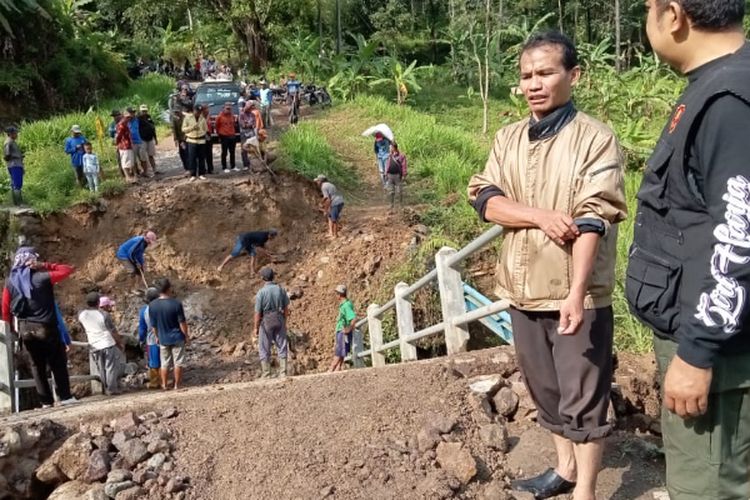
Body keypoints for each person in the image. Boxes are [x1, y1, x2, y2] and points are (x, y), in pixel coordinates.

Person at [467, 32, 627, 500]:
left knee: (584, 396)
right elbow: (484, 199)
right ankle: (564, 469)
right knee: (545, 391)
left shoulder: (595, 139)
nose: (534, 84)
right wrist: (539, 216)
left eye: (545, 72)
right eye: (526, 76)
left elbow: (593, 219)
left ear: (572, 76)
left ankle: (587, 492)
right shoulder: (508, 138)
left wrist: (576, 293)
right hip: (520, 289)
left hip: (576, 294)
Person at [627, 2, 750, 498]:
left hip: (718, 357)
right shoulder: (718, 86)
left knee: (709, 487)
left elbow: (740, 235)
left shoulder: (727, 102)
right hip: (715, 344)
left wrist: (697, 354)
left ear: (674, 14)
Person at [1, 247, 78, 408]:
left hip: (25, 330)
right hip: (46, 327)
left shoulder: (10, 282)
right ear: (32, 260)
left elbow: (5, 309)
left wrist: (13, 329)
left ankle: (46, 402)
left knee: (37, 365)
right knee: (57, 362)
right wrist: (44, 264)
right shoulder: (42, 277)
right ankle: (65, 397)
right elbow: (67, 269)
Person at [78, 292, 124, 396]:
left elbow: (82, 326)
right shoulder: (104, 315)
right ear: (98, 302)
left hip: (94, 344)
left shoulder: (81, 314)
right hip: (107, 343)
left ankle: (105, 389)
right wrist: (120, 343)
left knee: (100, 368)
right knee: (110, 367)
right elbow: (113, 331)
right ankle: (112, 389)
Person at [149, 278, 189, 390]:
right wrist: (186, 335)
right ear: (169, 288)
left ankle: (164, 385)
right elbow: (182, 322)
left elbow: (154, 325)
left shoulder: (152, 305)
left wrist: (157, 337)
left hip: (163, 338)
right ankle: (177, 385)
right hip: (177, 337)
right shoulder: (176, 303)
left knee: (164, 363)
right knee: (178, 362)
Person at [254, 267, 290, 379]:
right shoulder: (280, 289)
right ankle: (283, 372)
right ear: (273, 276)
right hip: (279, 317)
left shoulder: (261, 292)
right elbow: (286, 308)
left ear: (262, 278)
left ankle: (266, 373)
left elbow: (257, 313)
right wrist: (284, 321)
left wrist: (255, 327)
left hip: (266, 319)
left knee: (264, 346)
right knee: (282, 345)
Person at [328, 285, 356, 372]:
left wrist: (349, 328)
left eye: (336, 293)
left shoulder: (346, 306)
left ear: (339, 295)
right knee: (342, 352)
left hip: (342, 331)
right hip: (342, 330)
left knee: (339, 351)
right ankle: (337, 369)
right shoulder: (345, 304)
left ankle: (330, 370)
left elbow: (353, 318)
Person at [138, 287, 161, 389]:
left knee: (153, 361)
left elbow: (142, 328)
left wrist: (141, 339)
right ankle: (165, 379)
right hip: (165, 337)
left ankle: (155, 382)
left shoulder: (144, 311)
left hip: (151, 339)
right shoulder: (163, 307)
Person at [182, 104, 208, 181]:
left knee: (201, 158)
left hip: (201, 140)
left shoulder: (202, 118)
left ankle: (201, 173)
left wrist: (202, 132)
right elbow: (183, 129)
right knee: (192, 158)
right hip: (191, 140)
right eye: (197, 111)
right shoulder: (188, 118)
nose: (198, 113)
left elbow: (205, 129)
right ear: (194, 110)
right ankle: (193, 174)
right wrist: (192, 128)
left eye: (200, 112)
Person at [3, 126, 24, 206]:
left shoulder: (11, 141)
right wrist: (16, 157)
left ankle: (16, 203)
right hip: (15, 165)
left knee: (15, 183)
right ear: (11, 134)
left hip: (15, 164)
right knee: (17, 184)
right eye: (15, 133)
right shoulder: (9, 142)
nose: (17, 134)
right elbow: (7, 155)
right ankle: (19, 203)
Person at [385, 142, 407, 210]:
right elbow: (387, 165)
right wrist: (386, 173)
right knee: (391, 191)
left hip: (397, 176)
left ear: (394, 148)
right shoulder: (389, 156)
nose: (390, 149)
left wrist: (404, 174)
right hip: (390, 175)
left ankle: (400, 205)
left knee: (399, 191)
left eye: (390, 148)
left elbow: (404, 166)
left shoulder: (401, 156)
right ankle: (391, 205)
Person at [215, 102, 237, 173]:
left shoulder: (232, 115)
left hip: (232, 135)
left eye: (230, 108)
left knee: (232, 152)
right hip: (224, 136)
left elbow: (234, 124)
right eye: (227, 108)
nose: (228, 110)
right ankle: (224, 167)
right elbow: (216, 126)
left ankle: (233, 166)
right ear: (223, 108)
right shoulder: (220, 116)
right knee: (224, 152)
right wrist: (219, 135)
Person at [126, 107, 148, 177]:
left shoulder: (138, 120)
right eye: (131, 113)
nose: (132, 114)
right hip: (132, 143)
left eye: (133, 113)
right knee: (133, 159)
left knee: (143, 158)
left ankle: (145, 172)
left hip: (140, 141)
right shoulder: (126, 122)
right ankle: (136, 173)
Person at [115, 110, 136, 182]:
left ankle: (130, 177)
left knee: (130, 162)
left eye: (129, 117)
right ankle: (128, 177)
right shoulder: (122, 124)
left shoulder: (126, 123)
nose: (129, 119)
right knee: (125, 162)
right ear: (124, 117)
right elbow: (118, 136)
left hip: (127, 145)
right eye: (127, 117)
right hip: (124, 145)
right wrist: (117, 144)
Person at [138, 105, 158, 175]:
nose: (144, 112)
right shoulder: (138, 119)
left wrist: (155, 138)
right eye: (143, 111)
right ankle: (145, 171)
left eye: (145, 111)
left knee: (151, 155)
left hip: (150, 138)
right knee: (143, 156)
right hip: (142, 139)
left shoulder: (149, 117)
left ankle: (154, 169)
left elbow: (153, 128)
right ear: (140, 111)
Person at [239, 102, 258, 170]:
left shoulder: (252, 114)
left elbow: (254, 124)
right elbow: (243, 125)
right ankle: (245, 164)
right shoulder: (241, 114)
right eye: (249, 108)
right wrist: (249, 125)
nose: (250, 109)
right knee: (244, 149)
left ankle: (252, 164)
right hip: (244, 134)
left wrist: (249, 124)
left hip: (251, 134)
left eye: (251, 108)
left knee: (253, 148)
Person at [107, 110, 125, 178]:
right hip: (118, 143)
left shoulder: (124, 122)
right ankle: (122, 174)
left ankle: (134, 171)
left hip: (125, 142)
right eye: (114, 116)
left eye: (117, 115)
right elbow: (111, 134)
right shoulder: (112, 124)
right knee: (119, 158)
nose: (115, 117)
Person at [201, 105, 215, 174]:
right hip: (202, 135)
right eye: (206, 109)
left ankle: (210, 169)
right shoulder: (201, 118)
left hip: (209, 135)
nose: (208, 110)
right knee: (202, 154)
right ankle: (203, 169)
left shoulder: (209, 117)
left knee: (209, 153)